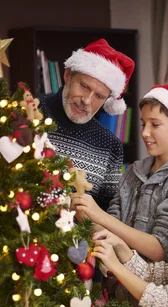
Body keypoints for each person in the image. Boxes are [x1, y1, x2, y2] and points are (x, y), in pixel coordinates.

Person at [71, 84, 168, 262]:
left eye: (155, 124)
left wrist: (98, 214)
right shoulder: (134, 172)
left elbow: (159, 249)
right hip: (119, 285)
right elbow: (111, 225)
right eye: (143, 124)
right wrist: (85, 217)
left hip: (157, 287)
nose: (144, 132)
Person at [41, 38, 135, 211]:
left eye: (99, 96)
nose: (86, 100)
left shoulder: (110, 145)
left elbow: (109, 213)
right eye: (84, 86)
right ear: (68, 75)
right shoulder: (30, 113)